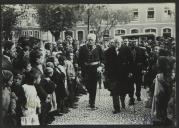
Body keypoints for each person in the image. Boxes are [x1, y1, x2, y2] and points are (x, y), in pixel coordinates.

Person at [78, 33, 104, 109]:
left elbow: (103, 58)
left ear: (94, 40)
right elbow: (80, 59)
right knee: (87, 85)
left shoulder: (98, 48)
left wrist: (100, 66)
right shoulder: (83, 48)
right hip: (86, 69)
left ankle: (92, 103)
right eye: (88, 39)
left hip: (95, 69)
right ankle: (90, 97)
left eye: (91, 40)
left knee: (93, 86)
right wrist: (80, 69)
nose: (90, 41)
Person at [151, 56, 174, 126]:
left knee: (160, 111)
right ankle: (162, 120)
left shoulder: (161, 75)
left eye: (157, 62)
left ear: (161, 64)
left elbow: (165, 88)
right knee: (162, 110)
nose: (156, 63)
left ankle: (161, 121)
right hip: (162, 96)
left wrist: (161, 81)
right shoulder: (165, 73)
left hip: (161, 96)